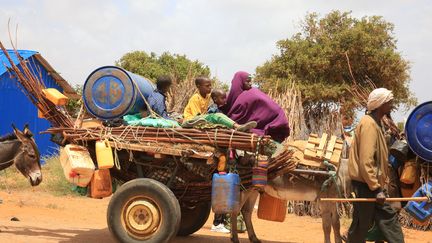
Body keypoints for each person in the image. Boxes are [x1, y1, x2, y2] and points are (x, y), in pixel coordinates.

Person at [347, 88, 404, 243]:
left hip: (370, 185)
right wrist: (376, 188)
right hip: (366, 185)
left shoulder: (376, 123)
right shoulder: (369, 124)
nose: (392, 105)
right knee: (366, 223)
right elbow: (366, 161)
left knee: (367, 223)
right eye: (389, 102)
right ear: (380, 104)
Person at [221, 71, 290, 143]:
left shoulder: (248, 95)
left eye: (251, 81)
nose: (250, 84)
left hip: (274, 123)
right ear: (239, 82)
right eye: (247, 81)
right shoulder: (248, 93)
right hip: (278, 123)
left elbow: (235, 118)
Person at [183, 78, 256, 131]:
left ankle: (233, 126)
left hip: (201, 118)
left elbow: (216, 97)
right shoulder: (196, 98)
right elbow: (197, 116)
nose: (210, 88)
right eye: (207, 86)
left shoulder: (207, 96)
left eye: (210, 85)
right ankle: (237, 126)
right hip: (191, 120)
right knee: (218, 116)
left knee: (217, 116)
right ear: (198, 86)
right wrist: (212, 116)